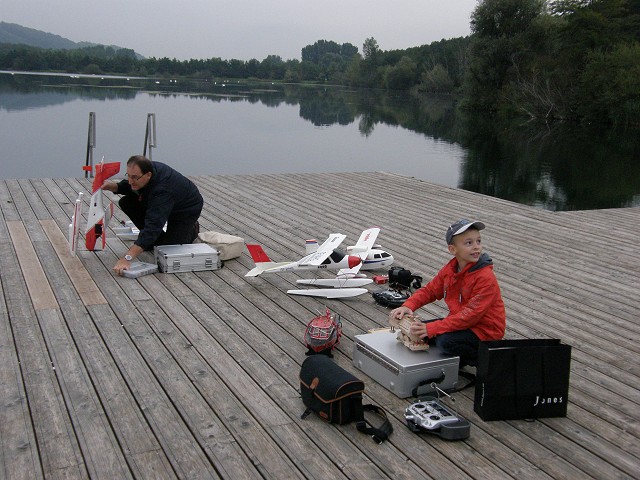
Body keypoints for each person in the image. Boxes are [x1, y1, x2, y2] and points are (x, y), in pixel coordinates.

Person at [389, 219, 505, 367]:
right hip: (461, 323)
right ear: (452, 249)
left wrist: (433, 329)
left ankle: (487, 360)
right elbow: (430, 290)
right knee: (416, 330)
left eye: (478, 241)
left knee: (444, 342)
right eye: (469, 243)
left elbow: (470, 316)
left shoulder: (485, 277)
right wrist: (408, 306)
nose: (476, 247)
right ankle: (455, 356)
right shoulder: (451, 269)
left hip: (485, 331)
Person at [102, 155, 203, 275]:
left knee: (168, 249)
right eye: (128, 175)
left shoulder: (161, 191)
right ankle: (149, 242)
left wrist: (126, 258)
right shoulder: (146, 169)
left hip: (186, 209)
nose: (130, 181)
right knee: (126, 202)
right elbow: (132, 186)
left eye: (134, 177)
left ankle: (191, 230)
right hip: (166, 201)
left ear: (148, 175)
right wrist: (111, 186)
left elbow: (152, 227)